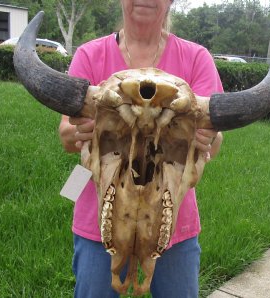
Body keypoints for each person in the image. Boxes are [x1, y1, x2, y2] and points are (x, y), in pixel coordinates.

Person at [59, 1, 223, 297]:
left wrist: (206, 138)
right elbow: (66, 136)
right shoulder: (89, 55)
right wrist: (82, 131)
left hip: (173, 224)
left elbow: (216, 139)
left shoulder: (196, 58)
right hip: (98, 224)